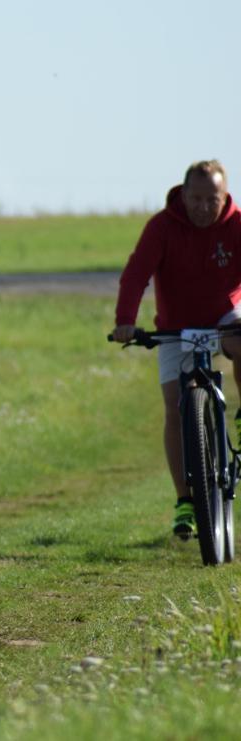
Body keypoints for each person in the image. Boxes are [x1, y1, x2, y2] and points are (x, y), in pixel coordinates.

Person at [113, 159, 241, 540]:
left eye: (212, 199)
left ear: (225, 196)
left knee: (240, 341)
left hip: (224, 316)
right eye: (196, 198)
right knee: (175, 406)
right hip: (177, 326)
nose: (203, 207)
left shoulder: (236, 224)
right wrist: (125, 321)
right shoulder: (162, 227)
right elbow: (135, 275)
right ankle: (185, 500)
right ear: (183, 195)